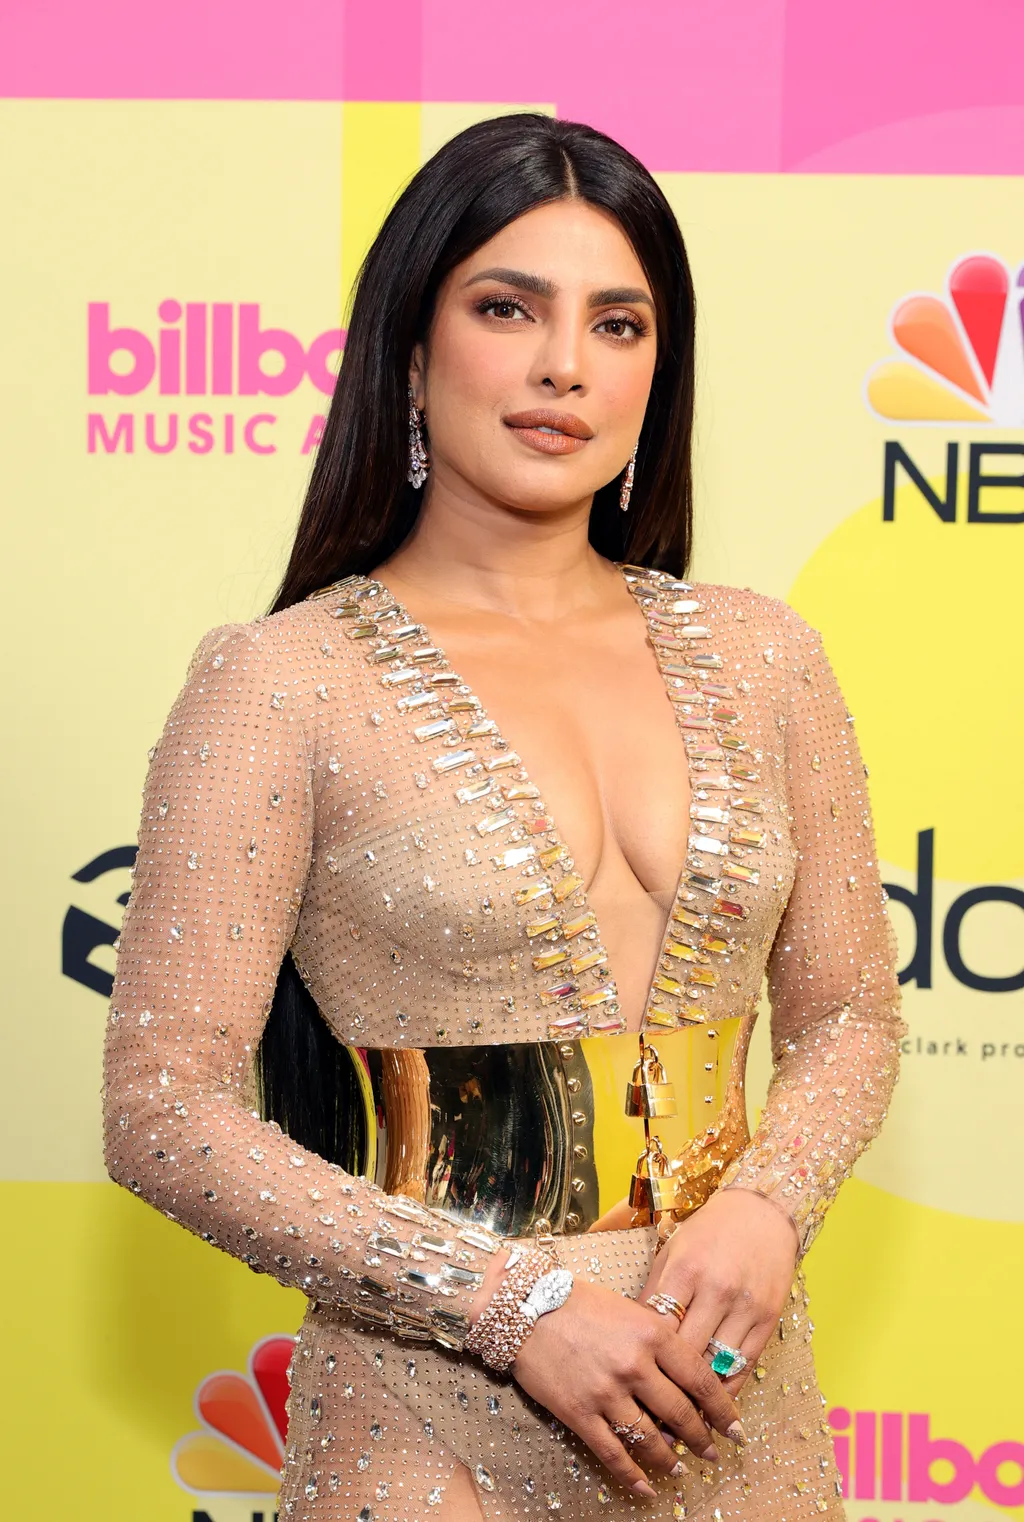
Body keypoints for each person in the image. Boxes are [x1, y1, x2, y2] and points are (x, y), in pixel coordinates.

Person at [103, 113, 905, 1521]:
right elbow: (164, 1111)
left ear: (662, 367)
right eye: (506, 308)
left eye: (617, 323)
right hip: (429, 1421)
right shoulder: (283, 682)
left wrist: (770, 1201)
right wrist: (505, 1300)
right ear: (412, 350)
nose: (561, 366)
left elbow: (850, 1014)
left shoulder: (767, 655)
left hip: (731, 1405)